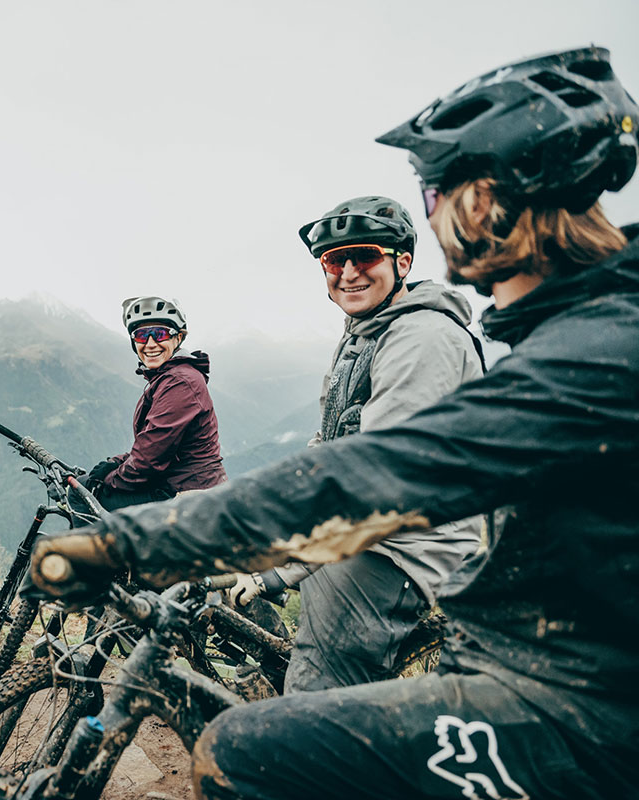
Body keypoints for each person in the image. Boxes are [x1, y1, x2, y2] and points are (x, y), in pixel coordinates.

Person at [31, 46, 639, 798]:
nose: (436, 209)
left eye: (437, 189)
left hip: (577, 713)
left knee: (248, 750)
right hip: (535, 666)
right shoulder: (575, 333)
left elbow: (374, 475)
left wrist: (128, 544)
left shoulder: (589, 352)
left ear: (492, 198)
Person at [228, 195, 484, 692]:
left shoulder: (422, 338)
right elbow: (331, 440)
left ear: (401, 261)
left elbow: (379, 478)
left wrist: (288, 566)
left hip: (405, 545)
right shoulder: (365, 334)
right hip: (362, 529)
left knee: (312, 695)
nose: (347, 271)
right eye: (333, 260)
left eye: (364, 256)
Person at [82, 296, 227, 512]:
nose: (150, 344)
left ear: (177, 338)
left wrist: (108, 479)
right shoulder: (170, 377)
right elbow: (153, 442)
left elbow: (149, 458)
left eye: (159, 334)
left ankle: (80, 547)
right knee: (86, 485)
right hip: (179, 481)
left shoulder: (180, 382)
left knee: (82, 497)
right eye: (141, 335)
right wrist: (114, 463)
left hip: (187, 492)